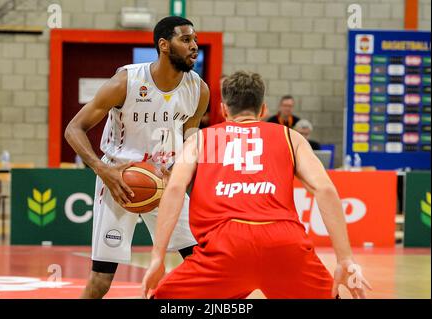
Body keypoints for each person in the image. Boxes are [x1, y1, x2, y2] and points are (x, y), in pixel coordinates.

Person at [142, 71, 371, 299]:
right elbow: (325, 189)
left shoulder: (201, 139)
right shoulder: (290, 137)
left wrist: (157, 256)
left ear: (223, 109)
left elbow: (174, 189)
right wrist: (345, 259)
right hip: (285, 244)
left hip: (224, 247)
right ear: (263, 110)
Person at [65, 16, 209, 299]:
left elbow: (191, 136)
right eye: (186, 40)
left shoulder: (199, 89)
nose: (194, 46)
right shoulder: (127, 80)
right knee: (101, 281)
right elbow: (74, 129)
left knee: (202, 265)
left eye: (195, 40)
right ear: (164, 45)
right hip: (119, 182)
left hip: (166, 182)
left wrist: (184, 169)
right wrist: (100, 169)